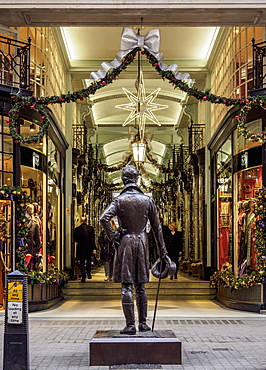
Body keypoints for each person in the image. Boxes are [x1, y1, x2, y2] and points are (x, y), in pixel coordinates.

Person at [100, 165, 167, 335]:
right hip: (142, 241)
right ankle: (143, 324)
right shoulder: (147, 200)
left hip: (126, 242)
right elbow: (157, 228)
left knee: (126, 286)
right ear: (137, 179)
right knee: (141, 286)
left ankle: (130, 325)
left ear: (123, 180)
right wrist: (163, 252)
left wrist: (114, 236)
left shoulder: (120, 200)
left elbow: (104, 218)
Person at [73, 216, 96, 282]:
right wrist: (94, 248)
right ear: (86, 221)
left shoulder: (77, 229)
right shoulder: (90, 228)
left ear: (80, 221)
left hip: (80, 247)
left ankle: (83, 275)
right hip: (88, 247)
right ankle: (88, 272)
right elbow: (92, 239)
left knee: (81, 261)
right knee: (88, 260)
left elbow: (75, 239)